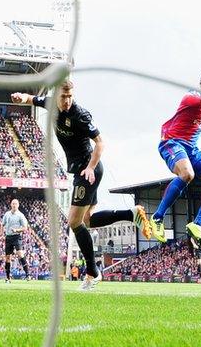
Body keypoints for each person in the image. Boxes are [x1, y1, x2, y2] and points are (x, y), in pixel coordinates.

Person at [10, 81, 151, 291]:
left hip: (89, 170)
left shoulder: (80, 115)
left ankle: (93, 273)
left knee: (74, 221)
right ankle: (131, 214)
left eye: (70, 97)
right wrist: (21, 96)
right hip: (81, 170)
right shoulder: (51, 103)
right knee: (88, 220)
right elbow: (33, 99)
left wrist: (91, 167)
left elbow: (100, 143)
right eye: (63, 97)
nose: (67, 101)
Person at [150, 72, 201, 248]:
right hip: (172, 142)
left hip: (191, 149)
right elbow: (188, 99)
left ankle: (198, 224)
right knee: (187, 174)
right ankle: (157, 217)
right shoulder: (194, 95)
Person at [1, 199, 31, 283]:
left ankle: (28, 274)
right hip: (8, 237)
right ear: (11, 205)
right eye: (13, 204)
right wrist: (0, 233)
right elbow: (2, 224)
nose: (14, 205)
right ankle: (7, 278)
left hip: (17, 237)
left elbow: (25, 228)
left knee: (20, 254)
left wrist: (17, 230)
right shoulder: (7, 214)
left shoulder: (21, 215)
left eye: (16, 204)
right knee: (7, 258)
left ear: (18, 205)